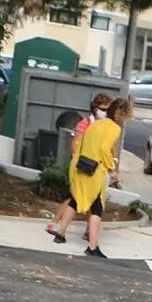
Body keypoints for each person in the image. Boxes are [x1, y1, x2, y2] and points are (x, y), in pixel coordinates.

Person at [52, 97, 133, 258]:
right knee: (97, 206)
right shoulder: (114, 128)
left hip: (79, 165)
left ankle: (60, 234)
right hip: (94, 170)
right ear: (121, 116)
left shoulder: (96, 124)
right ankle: (92, 246)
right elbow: (105, 148)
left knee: (76, 199)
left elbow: (81, 143)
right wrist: (111, 169)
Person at [47, 93, 112, 239]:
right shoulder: (86, 123)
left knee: (90, 199)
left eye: (108, 109)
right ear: (95, 108)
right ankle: (56, 224)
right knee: (77, 198)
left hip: (98, 168)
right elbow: (74, 144)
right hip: (85, 167)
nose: (105, 112)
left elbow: (110, 147)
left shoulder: (106, 125)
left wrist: (110, 163)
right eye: (103, 108)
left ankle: (65, 228)